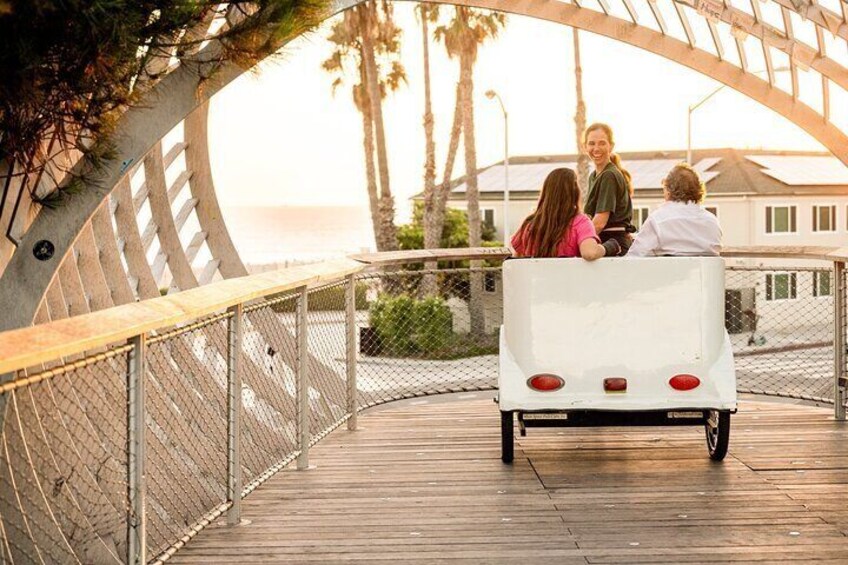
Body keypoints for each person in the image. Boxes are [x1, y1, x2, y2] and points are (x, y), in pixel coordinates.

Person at [511, 168, 620, 260]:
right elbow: (590, 253)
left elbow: (516, 260)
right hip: (568, 283)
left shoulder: (529, 223)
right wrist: (609, 247)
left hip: (535, 283)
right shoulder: (580, 221)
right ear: (575, 191)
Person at [627, 163, 722, 257]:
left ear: (668, 190)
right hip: (704, 272)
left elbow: (635, 256)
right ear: (699, 189)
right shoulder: (713, 222)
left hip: (668, 272)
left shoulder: (658, 220)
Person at [583, 123, 634, 255]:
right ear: (585, 147)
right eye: (591, 143)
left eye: (602, 143)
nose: (596, 148)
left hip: (613, 244)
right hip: (602, 242)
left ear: (611, 145)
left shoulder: (609, 175)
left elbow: (599, 222)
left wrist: (578, 242)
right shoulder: (593, 176)